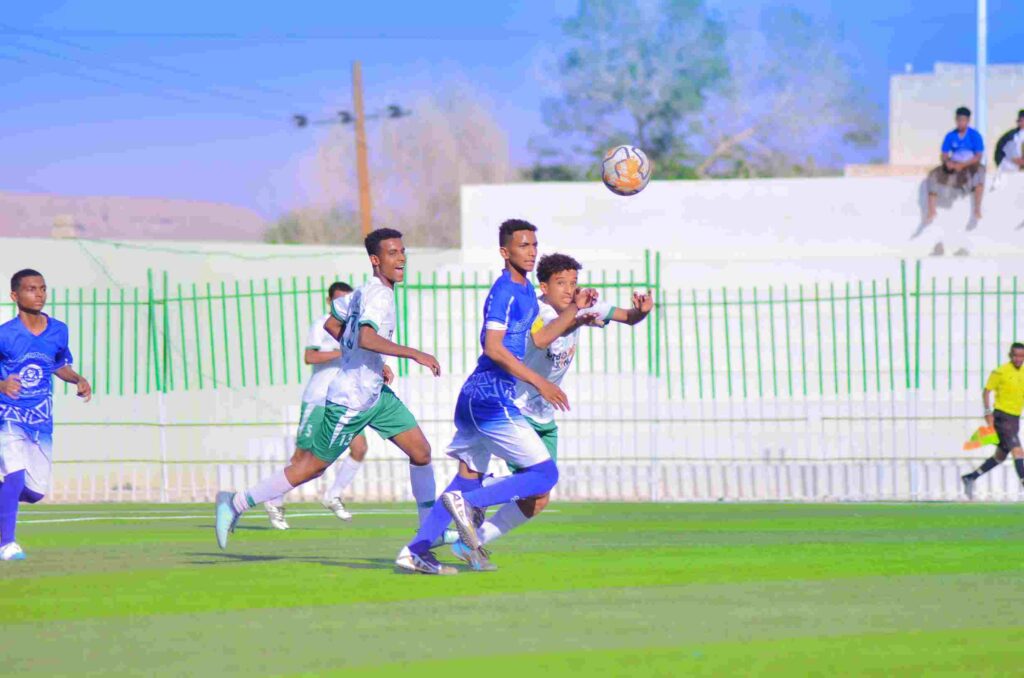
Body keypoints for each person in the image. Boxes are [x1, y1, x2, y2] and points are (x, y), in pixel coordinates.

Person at [215, 228, 442, 549]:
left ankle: (428, 532)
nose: (401, 258)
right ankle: (235, 502)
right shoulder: (378, 295)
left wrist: (369, 360)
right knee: (312, 467)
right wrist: (415, 354)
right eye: (392, 253)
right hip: (350, 400)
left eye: (403, 251)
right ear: (376, 260)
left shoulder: (363, 292)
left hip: (376, 395)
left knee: (421, 452)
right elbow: (366, 336)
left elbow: (332, 324)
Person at [395, 219, 593, 575]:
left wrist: (575, 314)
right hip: (489, 396)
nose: (531, 252)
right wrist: (540, 382)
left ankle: (415, 551)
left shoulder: (527, 291)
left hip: (481, 397)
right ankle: (469, 503)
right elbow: (493, 347)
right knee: (544, 475)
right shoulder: (504, 292)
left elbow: (539, 339)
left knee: (465, 479)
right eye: (523, 246)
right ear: (505, 252)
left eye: (534, 245)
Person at [449, 253, 654, 562]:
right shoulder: (537, 310)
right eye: (561, 283)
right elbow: (542, 339)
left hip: (544, 415)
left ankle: (470, 541)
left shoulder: (584, 304)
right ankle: (475, 494)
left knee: (539, 498)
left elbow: (627, 316)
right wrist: (576, 315)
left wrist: (641, 311)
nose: (569, 289)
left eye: (573, 282)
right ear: (543, 287)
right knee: (540, 479)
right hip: (517, 409)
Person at [263, 281, 378, 530]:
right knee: (302, 456)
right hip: (318, 399)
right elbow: (310, 356)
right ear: (330, 301)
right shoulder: (321, 324)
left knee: (359, 448)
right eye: (338, 299)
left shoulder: (355, 328)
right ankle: (275, 498)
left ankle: (332, 495)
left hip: (344, 400)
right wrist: (342, 352)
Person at [0, 269, 91, 561]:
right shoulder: (5, 334)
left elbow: (58, 365)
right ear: (14, 295)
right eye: (30, 289)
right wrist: (2, 385)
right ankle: (6, 544)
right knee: (14, 476)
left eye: (42, 288)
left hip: (40, 420)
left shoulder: (58, 330)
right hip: (8, 415)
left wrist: (77, 378)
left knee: (35, 492)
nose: (38, 294)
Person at [961, 343, 1024, 499]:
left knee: (1000, 456)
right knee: (1018, 451)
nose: (1018, 359)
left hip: (1015, 418)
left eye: (1021, 356)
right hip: (1002, 417)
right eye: (1015, 355)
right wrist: (987, 412)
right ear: (1010, 355)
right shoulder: (1000, 372)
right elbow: (986, 391)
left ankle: (971, 477)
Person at [925, 106, 986, 225]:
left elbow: (978, 156)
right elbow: (944, 154)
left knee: (980, 173)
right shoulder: (950, 135)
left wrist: (963, 165)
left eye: (963, 120)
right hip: (955, 163)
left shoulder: (974, 135)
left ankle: (977, 209)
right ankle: (931, 210)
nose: (961, 123)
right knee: (932, 175)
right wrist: (947, 162)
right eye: (958, 120)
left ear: (968, 121)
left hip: (970, 163)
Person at [990, 110, 1024, 191]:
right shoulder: (1010, 136)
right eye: (1021, 120)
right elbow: (1000, 151)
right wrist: (1014, 160)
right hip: (1012, 167)